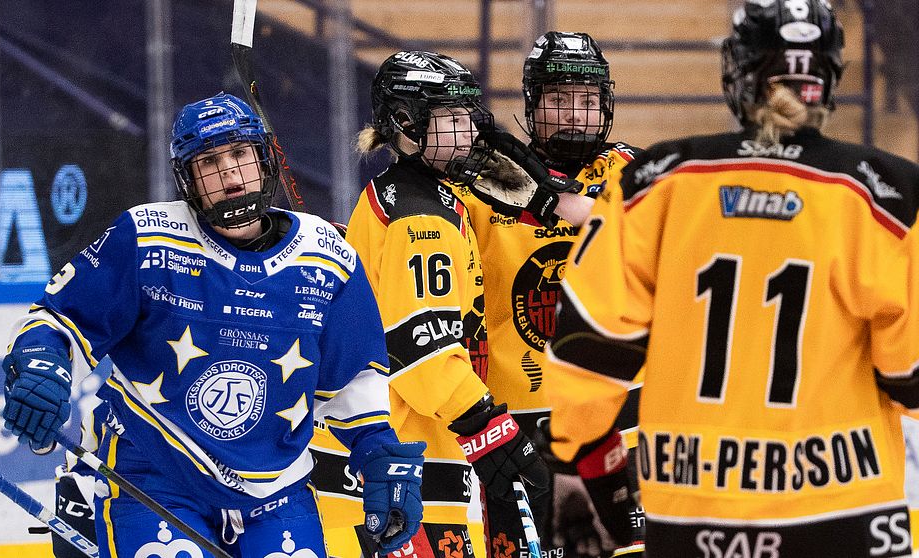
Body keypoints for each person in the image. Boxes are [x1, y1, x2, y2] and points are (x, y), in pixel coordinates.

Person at [543, 2, 919, 557]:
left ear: (738, 71)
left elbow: (590, 349)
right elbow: (907, 372)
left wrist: (571, 458)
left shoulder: (654, 182)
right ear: (829, 76)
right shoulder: (890, 194)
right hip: (845, 505)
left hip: (692, 506)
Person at [0, 92, 425, 557]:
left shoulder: (330, 256)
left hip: (278, 489)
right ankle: (82, 485)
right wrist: (41, 366)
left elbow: (353, 382)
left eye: (240, 154)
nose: (228, 174)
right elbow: (55, 319)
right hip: (154, 476)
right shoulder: (146, 237)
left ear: (264, 160)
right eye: (208, 162)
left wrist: (378, 453)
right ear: (187, 179)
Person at [310, 51, 550, 557]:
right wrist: (490, 430)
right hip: (405, 466)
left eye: (468, 117)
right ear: (405, 124)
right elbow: (424, 354)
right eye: (451, 120)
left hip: (384, 459)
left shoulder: (406, 194)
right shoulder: (423, 221)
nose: (467, 134)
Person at [449, 31, 644, 557]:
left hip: (621, 412)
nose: (574, 114)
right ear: (532, 105)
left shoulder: (638, 173)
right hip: (515, 422)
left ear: (605, 105)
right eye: (559, 99)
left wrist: (564, 202)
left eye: (586, 101)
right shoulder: (479, 182)